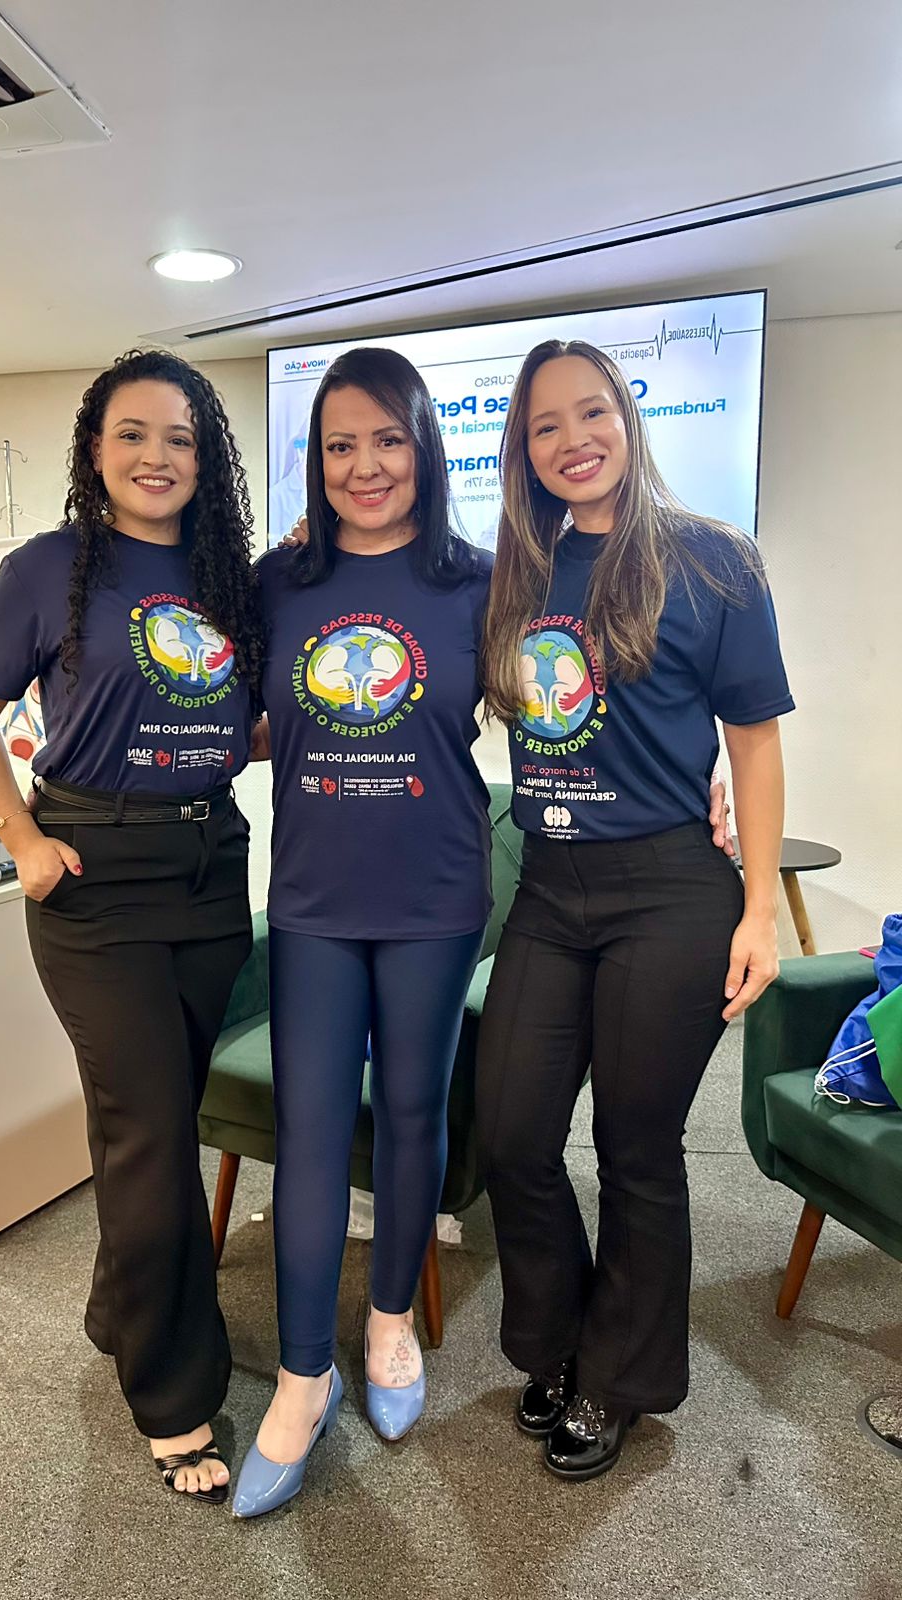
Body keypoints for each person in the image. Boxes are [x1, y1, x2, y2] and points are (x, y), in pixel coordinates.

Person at [0, 349, 263, 1505]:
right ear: (94, 448)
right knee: (150, 1130)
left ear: (205, 459)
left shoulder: (232, 578)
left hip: (209, 870)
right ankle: (175, 1398)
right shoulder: (49, 567)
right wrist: (19, 838)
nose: (156, 456)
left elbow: (244, 723)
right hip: (92, 875)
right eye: (133, 433)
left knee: (149, 1120)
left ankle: (117, 1305)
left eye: (180, 437)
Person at [475, 338, 792, 1481]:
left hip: (670, 892)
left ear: (629, 417)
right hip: (550, 888)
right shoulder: (512, 576)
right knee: (512, 1132)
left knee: (636, 1146)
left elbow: (754, 746)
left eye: (593, 411)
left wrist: (759, 909)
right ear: (522, 450)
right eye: (545, 424)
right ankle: (556, 1339)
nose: (574, 439)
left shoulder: (714, 560)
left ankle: (617, 1377)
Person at [231, 347, 495, 1518]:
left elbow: (574, 697)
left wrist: (706, 784)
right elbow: (226, 711)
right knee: (309, 1128)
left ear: (425, 445)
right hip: (316, 902)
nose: (365, 464)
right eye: (340, 444)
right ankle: (304, 1375)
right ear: (316, 460)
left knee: (413, 1114)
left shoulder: (482, 581)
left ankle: (390, 1324)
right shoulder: (279, 582)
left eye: (387, 439)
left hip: (437, 895)